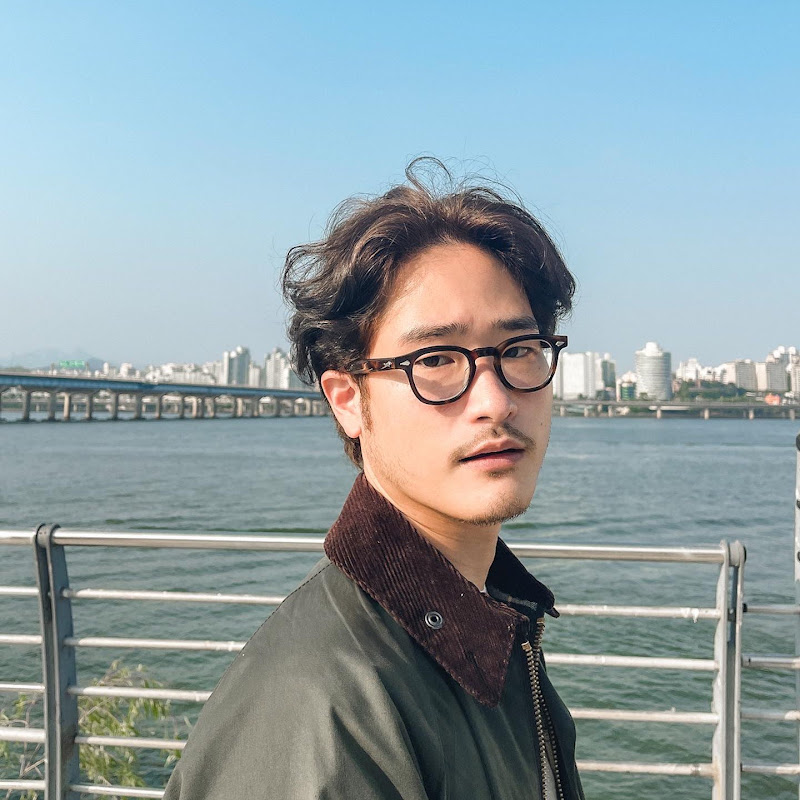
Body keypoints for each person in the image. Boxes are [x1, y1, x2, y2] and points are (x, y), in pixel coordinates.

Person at [163, 159, 584, 800]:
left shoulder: (492, 626)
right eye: (436, 359)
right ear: (348, 400)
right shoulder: (323, 703)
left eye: (519, 350)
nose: (495, 401)